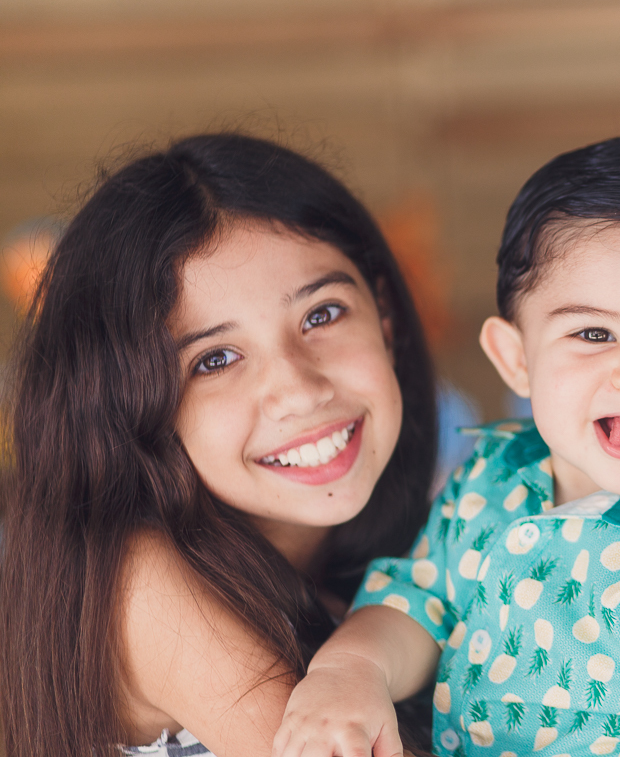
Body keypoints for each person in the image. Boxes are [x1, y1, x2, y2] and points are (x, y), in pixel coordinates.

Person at [277, 135, 620, 757]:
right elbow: (420, 601)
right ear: (517, 359)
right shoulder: (490, 477)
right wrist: (352, 671)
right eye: (594, 333)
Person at [0, 133, 439, 757]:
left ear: (385, 316)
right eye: (215, 359)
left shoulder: (417, 560)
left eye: (321, 315)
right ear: (136, 410)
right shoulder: (140, 580)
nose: (298, 392)